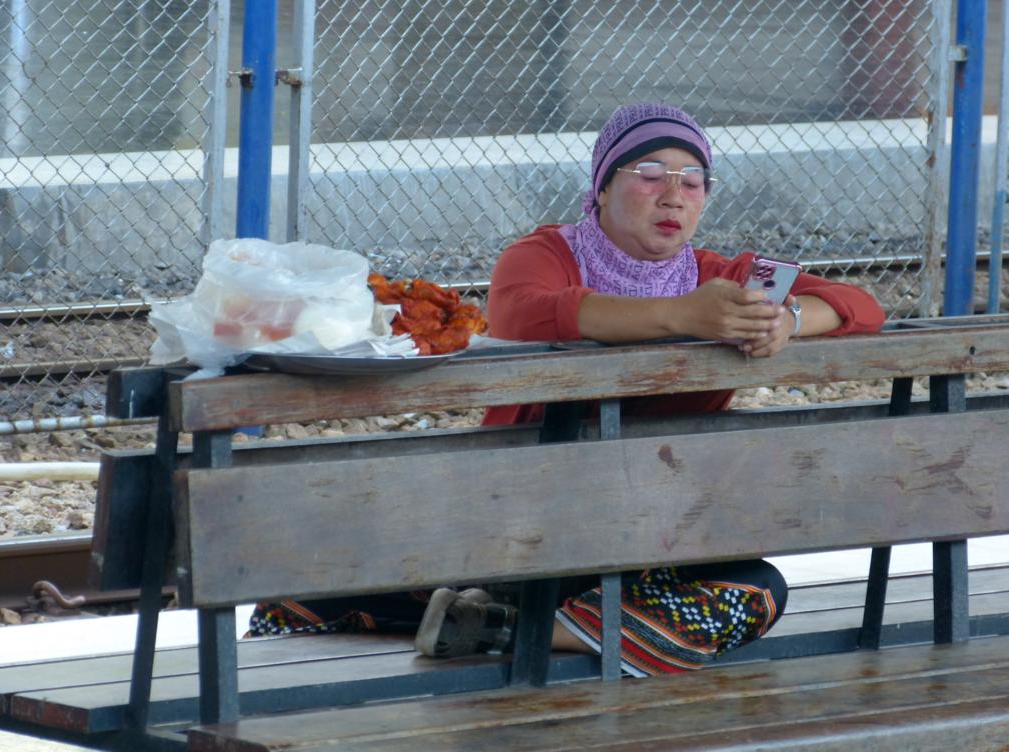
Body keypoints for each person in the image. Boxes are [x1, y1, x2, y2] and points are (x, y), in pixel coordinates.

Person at [248, 102, 885, 677]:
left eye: (692, 181)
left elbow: (859, 304)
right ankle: (525, 613)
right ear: (603, 186)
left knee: (757, 589)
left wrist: (786, 319)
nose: (673, 195)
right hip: (519, 530)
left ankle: (502, 629)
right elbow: (525, 313)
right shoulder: (546, 255)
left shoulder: (724, 275)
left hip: (647, 537)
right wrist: (682, 317)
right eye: (650, 174)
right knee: (298, 593)